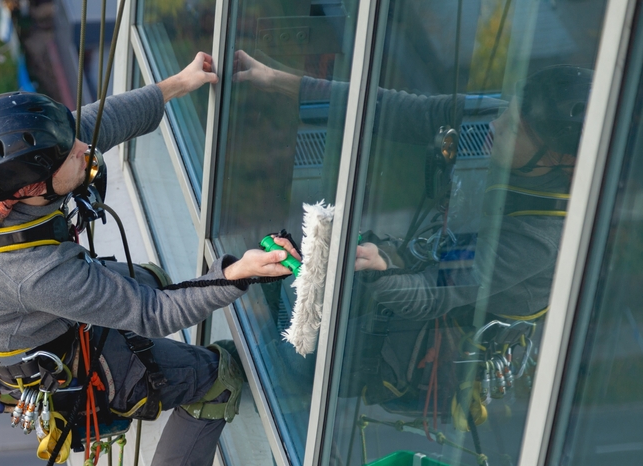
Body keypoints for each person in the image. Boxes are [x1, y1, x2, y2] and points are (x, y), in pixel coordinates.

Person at [0, 53, 299, 466]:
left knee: (150, 280)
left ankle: (151, 365)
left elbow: (87, 125)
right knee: (218, 377)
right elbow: (152, 314)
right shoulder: (33, 270)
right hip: (61, 364)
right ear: (32, 188)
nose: (85, 148)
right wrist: (236, 274)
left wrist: (175, 85)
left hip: (27, 326)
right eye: (70, 153)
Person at [234, 51, 590, 416]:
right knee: (288, 290)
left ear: (564, 161)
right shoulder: (511, 125)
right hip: (425, 263)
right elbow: (396, 109)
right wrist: (279, 80)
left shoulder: (543, 236)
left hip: (434, 332)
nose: (496, 125)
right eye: (506, 112)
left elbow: (434, 292)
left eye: (513, 128)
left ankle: (251, 373)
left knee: (295, 363)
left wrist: (381, 272)